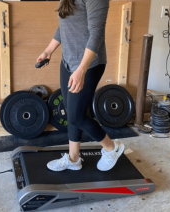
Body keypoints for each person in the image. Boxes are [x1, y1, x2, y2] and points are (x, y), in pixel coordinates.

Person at [36, 0, 125, 172]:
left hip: (89, 64)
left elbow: (97, 34)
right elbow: (64, 25)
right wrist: (48, 51)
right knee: (71, 112)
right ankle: (73, 158)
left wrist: (81, 70)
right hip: (68, 62)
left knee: (77, 116)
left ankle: (111, 148)